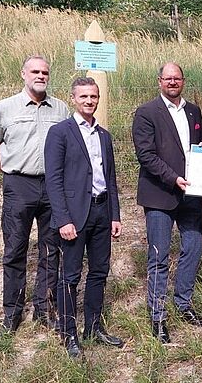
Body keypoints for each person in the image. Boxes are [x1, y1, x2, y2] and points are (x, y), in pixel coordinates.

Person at [0, 55, 69, 334]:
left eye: (45, 72)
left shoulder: (61, 109)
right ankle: (12, 314)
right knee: (15, 250)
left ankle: (44, 309)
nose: (40, 76)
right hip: (19, 186)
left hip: (53, 187)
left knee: (50, 249)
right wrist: (9, 172)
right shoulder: (5, 108)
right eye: (35, 71)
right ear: (23, 74)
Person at [44, 77, 124, 358]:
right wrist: (63, 219)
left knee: (100, 271)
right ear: (73, 99)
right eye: (84, 97)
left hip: (102, 211)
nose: (89, 101)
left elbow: (110, 178)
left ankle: (93, 327)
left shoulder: (104, 135)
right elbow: (53, 181)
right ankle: (69, 333)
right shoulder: (60, 132)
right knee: (70, 276)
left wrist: (115, 214)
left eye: (94, 96)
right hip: (75, 215)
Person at [132, 62, 202, 344]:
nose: (173, 82)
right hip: (160, 195)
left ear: (183, 81)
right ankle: (158, 316)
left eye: (177, 78)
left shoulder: (193, 110)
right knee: (158, 256)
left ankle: (184, 303)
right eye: (168, 78)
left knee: (192, 249)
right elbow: (146, 155)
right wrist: (174, 178)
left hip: (192, 194)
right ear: (159, 81)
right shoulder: (146, 112)